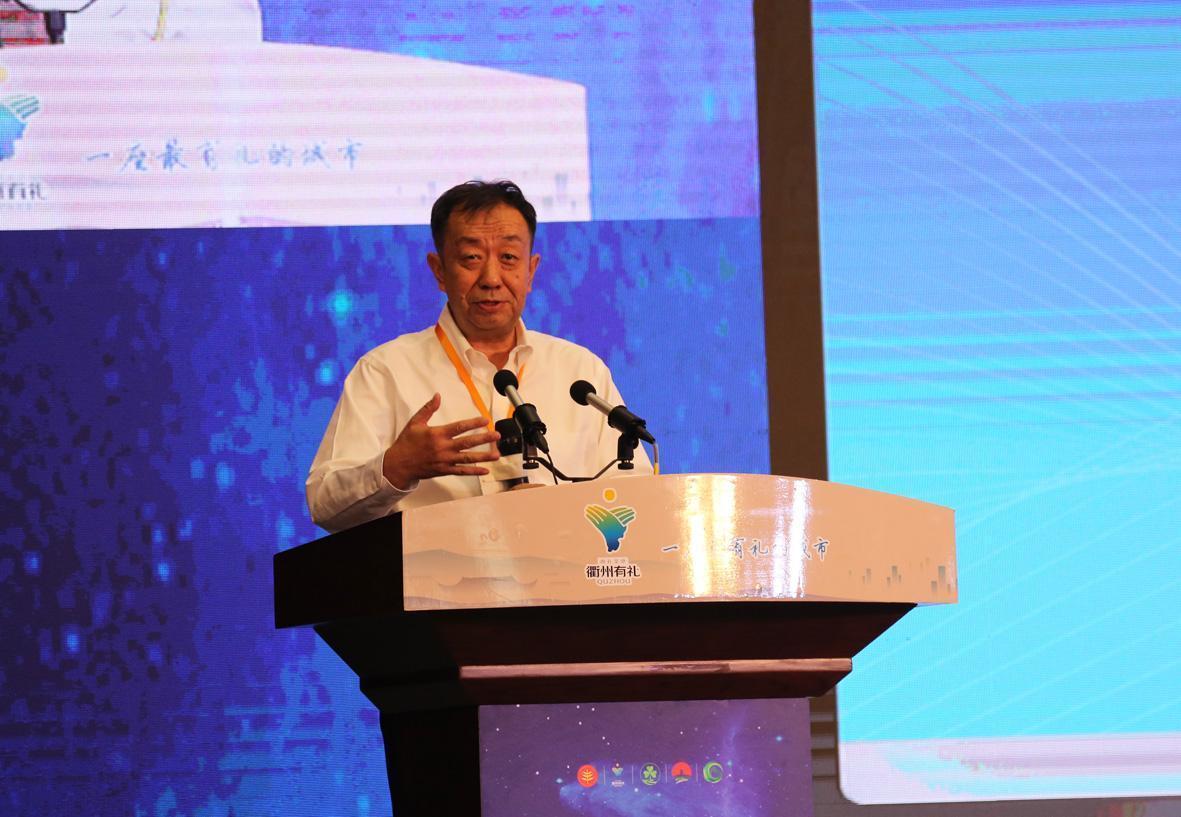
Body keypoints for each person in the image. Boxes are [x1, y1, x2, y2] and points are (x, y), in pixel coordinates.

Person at [306, 179, 650, 531]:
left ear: (531, 271)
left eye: (508, 258)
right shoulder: (385, 371)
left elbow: (635, 498)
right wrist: (397, 467)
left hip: (562, 564)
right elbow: (324, 503)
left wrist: (557, 513)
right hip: (431, 565)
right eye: (471, 258)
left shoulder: (579, 371)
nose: (491, 278)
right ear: (439, 270)